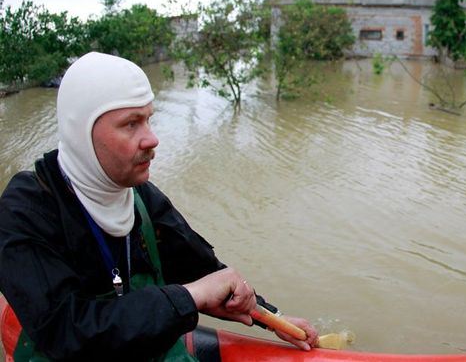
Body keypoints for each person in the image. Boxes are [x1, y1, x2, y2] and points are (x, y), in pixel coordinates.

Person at [0, 52, 318, 360]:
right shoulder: (26, 211)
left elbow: (201, 269)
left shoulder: (141, 197)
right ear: (81, 132)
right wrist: (188, 297)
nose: (152, 139)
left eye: (149, 120)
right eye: (131, 124)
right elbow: (64, 331)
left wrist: (273, 317)